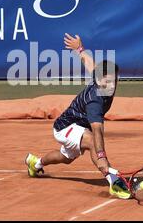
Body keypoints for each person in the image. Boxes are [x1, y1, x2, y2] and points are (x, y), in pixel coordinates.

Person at [25, 33, 131, 199]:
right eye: (107, 82)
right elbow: (98, 131)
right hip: (65, 127)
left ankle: (35, 163)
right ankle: (113, 182)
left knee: (65, 158)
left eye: (114, 81)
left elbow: (88, 62)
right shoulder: (95, 101)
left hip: (78, 126)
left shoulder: (101, 75)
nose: (110, 86)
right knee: (91, 140)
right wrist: (102, 157)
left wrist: (79, 48)